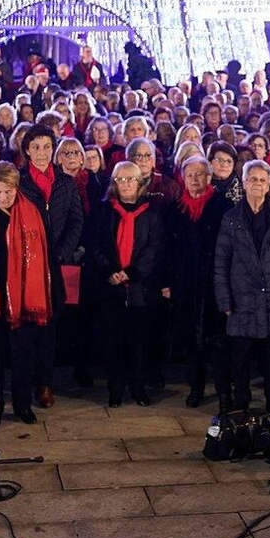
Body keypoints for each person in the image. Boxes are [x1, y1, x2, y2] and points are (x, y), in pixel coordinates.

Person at [0, 162, 52, 427]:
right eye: (0, 191)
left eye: (10, 191)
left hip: (24, 295)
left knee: (23, 354)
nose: (5, 197)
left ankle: (22, 404)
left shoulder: (31, 212)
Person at [215, 158, 270, 416]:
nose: (258, 184)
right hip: (242, 301)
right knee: (240, 358)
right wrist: (224, 301)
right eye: (253, 179)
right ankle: (241, 401)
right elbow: (221, 262)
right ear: (245, 182)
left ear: (269, 183)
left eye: (263, 180)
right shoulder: (231, 218)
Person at [89, 160, 168, 407]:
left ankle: (138, 387)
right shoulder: (104, 211)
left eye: (130, 179)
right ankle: (115, 389)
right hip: (111, 287)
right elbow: (97, 245)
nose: (125, 184)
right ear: (114, 183)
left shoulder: (152, 212)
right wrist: (111, 271)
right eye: (120, 179)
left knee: (138, 342)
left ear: (139, 182)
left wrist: (131, 273)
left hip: (139, 289)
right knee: (113, 342)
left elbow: (155, 249)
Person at [17, 124, 82, 409]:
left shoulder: (66, 184)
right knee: (26, 327)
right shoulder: (18, 182)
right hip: (26, 265)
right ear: (26, 151)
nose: (42, 153)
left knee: (50, 328)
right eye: (36, 147)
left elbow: (76, 221)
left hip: (55, 264)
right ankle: (25, 381)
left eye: (46, 147)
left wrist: (61, 252)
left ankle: (45, 383)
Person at [174, 154, 232, 408]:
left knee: (219, 344)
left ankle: (224, 393)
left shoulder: (222, 206)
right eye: (190, 175)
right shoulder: (177, 209)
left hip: (214, 284)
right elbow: (170, 249)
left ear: (209, 177)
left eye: (199, 174)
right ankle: (195, 388)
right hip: (187, 284)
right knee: (192, 342)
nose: (194, 179)